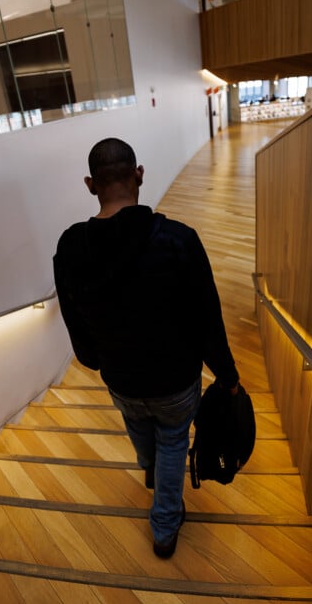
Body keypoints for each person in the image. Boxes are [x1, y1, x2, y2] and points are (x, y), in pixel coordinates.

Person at [53, 138, 239, 558]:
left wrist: (94, 360)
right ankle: (164, 526)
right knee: (173, 441)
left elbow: (73, 316)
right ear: (138, 175)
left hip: (121, 380)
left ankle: (151, 470)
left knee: (139, 428)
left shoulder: (71, 246)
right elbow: (208, 319)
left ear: (90, 184)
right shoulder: (178, 240)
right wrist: (227, 379)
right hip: (175, 382)